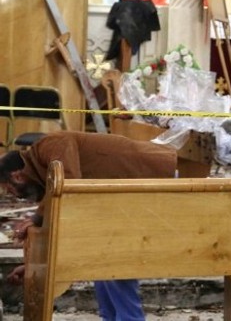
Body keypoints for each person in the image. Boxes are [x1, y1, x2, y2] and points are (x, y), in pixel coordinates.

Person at [0, 132, 177, 321]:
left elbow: (67, 185)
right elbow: (69, 220)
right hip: (130, 194)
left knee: (110, 259)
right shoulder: (45, 173)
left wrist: (37, 218)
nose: (11, 194)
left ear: (17, 176)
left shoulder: (51, 144)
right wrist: (34, 265)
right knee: (101, 259)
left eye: (7, 188)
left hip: (159, 178)